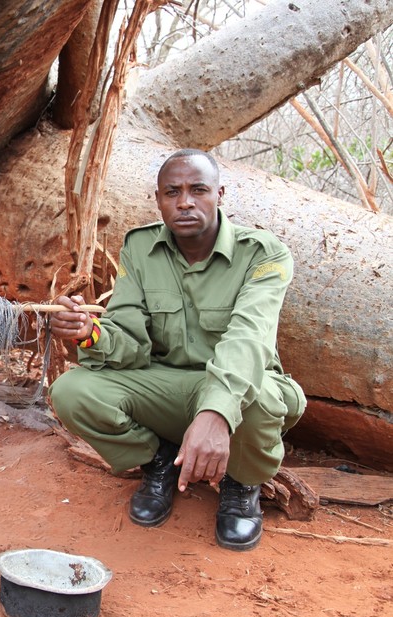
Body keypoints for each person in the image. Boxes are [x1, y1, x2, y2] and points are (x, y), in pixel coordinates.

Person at [48, 149, 305, 551]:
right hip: (167, 385)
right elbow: (129, 338)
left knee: (256, 401)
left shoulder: (263, 253)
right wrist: (88, 334)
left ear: (220, 194)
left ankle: (242, 482)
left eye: (197, 189)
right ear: (158, 199)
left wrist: (216, 411)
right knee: (72, 392)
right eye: (173, 192)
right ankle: (159, 461)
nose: (184, 201)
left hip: (240, 386)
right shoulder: (141, 247)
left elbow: (248, 339)